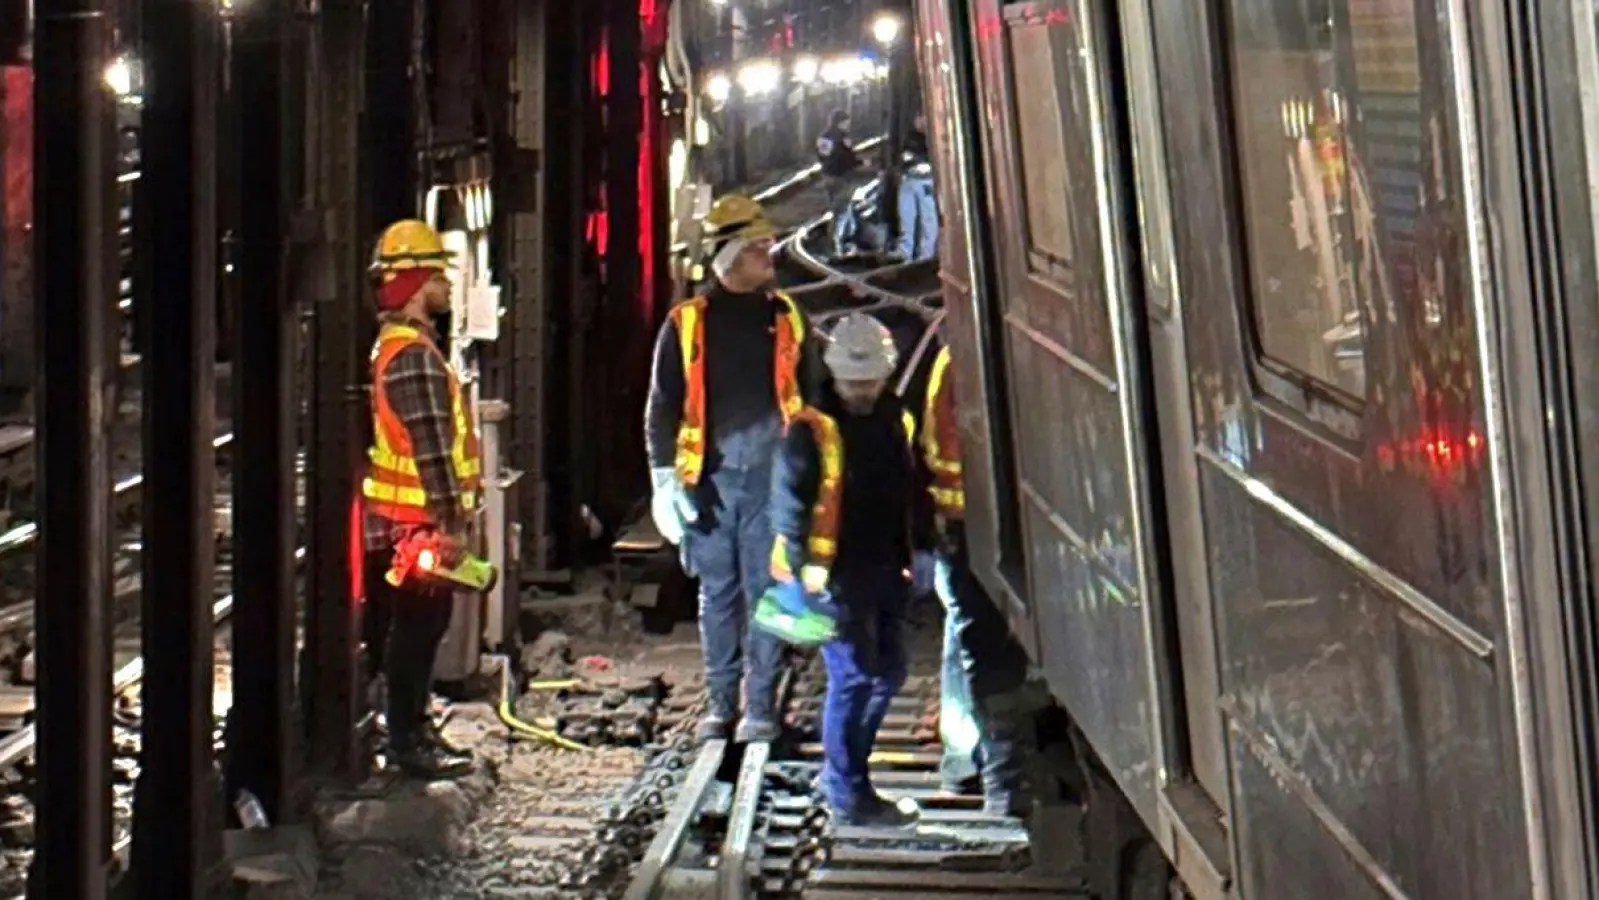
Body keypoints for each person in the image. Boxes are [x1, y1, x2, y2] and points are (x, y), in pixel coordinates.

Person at [645, 194, 820, 743]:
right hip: (711, 485)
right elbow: (662, 406)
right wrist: (663, 479)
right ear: (728, 254)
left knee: (767, 591)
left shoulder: (788, 317)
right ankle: (723, 706)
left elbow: (813, 404)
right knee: (719, 594)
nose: (769, 254)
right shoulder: (687, 324)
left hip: (775, 482)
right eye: (757, 247)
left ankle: (760, 709)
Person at [768, 312, 919, 827]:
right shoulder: (810, 431)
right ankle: (847, 791)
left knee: (888, 674)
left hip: (883, 563)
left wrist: (917, 548)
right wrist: (805, 572)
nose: (863, 391)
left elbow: (906, 486)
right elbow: (788, 509)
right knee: (854, 677)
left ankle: (846, 775)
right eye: (855, 383)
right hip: (834, 572)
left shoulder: (893, 418)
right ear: (835, 375)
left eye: (871, 381)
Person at [359, 218, 479, 780]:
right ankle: (408, 741)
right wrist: (452, 523)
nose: (446, 286)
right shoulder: (413, 358)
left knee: (416, 628)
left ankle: (411, 729)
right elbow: (432, 449)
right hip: (418, 526)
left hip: (407, 522)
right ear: (413, 284)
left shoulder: (398, 348)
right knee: (419, 629)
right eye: (437, 275)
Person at [921, 342, 1027, 817]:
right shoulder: (959, 363)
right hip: (969, 529)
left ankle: (964, 760)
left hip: (965, 526)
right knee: (983, 647)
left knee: (963, 639)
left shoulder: (952, 362)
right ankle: (997, 781)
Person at [817, 109, 864, 256]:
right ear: (842, 122)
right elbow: (849, 158)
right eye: (847, 122)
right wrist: (861, 162)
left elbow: (822, 157)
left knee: (839, 208)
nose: (848, 125)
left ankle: (843, 241)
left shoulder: (823, 137)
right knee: (841, 212)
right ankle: (835, 246)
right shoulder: (843, 138)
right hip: (842, 177)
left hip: (828, 177)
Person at [895, 113, 938, 261]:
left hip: (924, 181)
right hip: (910, 180)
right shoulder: (911, 137)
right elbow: (904, 157)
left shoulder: (932, 137)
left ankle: (925, 256)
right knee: (907, 219)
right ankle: (906, 254)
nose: (920, 122)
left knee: (928, 220)